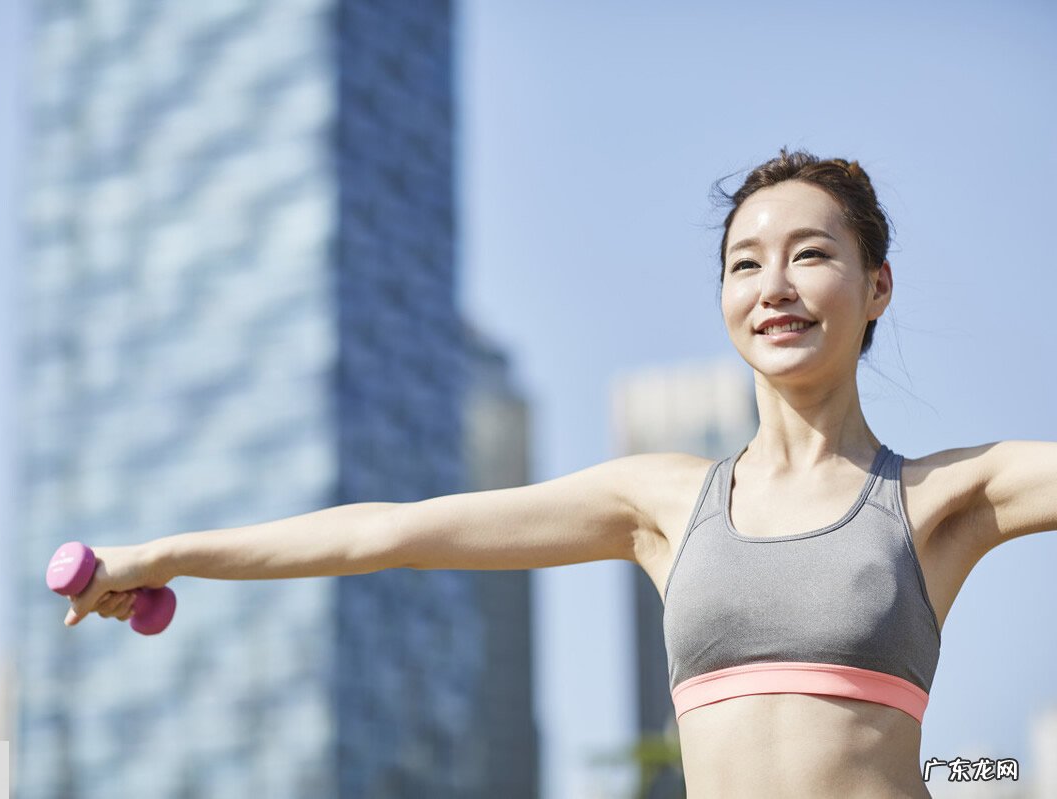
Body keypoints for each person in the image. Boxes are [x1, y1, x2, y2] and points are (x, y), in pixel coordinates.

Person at [59, 148, 1056, 797]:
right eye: (746, 263)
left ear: (876, 284)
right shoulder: (664, 503)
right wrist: (162, 554)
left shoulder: (940, 498)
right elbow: (391, 532)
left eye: (811, 254)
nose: (776, 287)